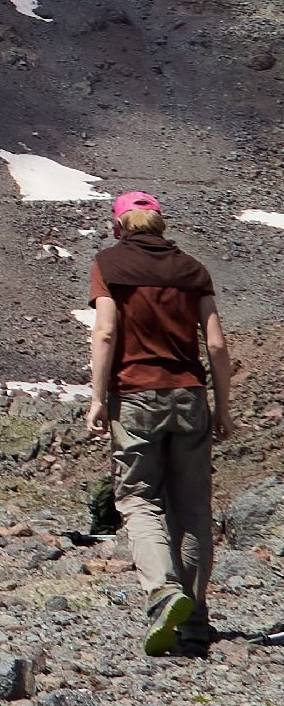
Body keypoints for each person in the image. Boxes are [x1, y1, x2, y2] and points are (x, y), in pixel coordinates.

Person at [86, 189, 233, 659]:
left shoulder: (110, 265)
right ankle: (194, 623)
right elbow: (215, 344)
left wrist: (96, 396)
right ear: (160, 223)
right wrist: (223, 406)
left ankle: (162, 591)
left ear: (119, 224)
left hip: (135, 396)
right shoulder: (193, 269)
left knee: (139, 499)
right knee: (192, 509)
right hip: (190, 397)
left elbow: (106, 331)